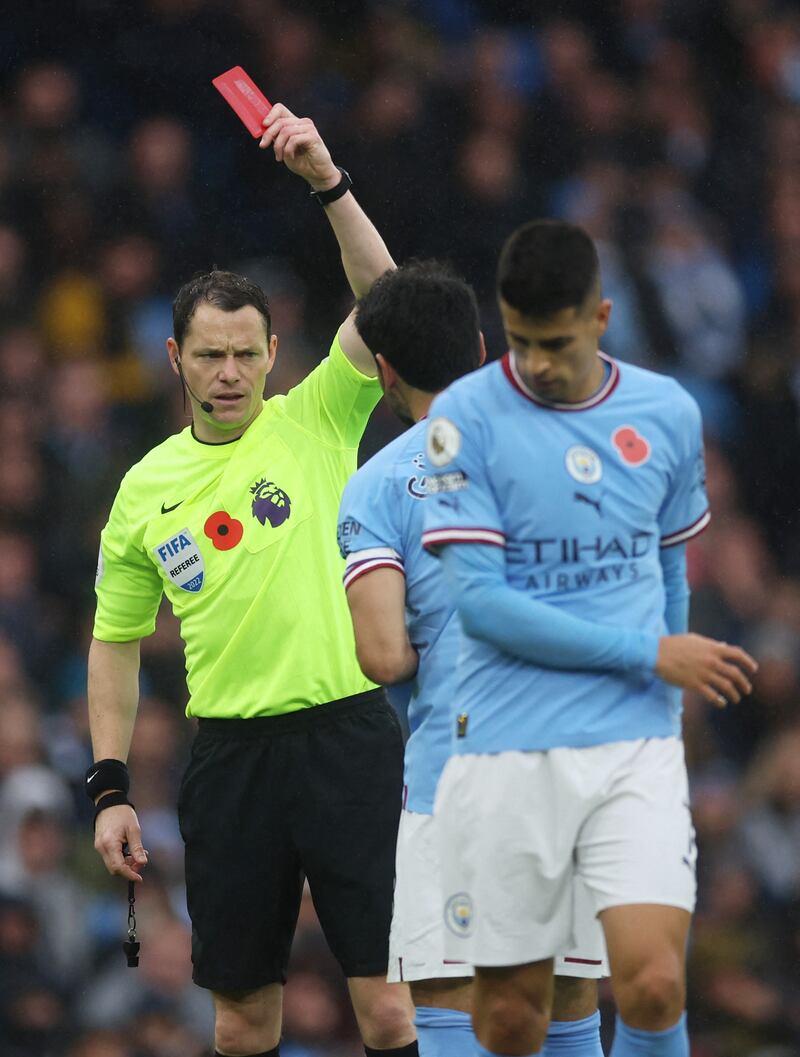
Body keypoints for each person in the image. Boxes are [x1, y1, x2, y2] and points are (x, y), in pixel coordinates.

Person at [87, 104, 416, 1057]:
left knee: (390, 1007)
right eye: (209, 355)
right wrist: (110, 787)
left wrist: (328, 180)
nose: (229, 373)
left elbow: (388, 298)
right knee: (240, 1019)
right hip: (228, 759)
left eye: (245, 354)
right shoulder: (143, 489)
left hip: (347, 739)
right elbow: (113, 644)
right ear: (175, 357)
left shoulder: (315, 418)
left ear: (275, 354)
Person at [421, 219, 759, 1057]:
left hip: (629, 742)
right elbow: (483, 605)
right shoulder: (463, 418)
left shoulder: (667, 414)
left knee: (650, 984)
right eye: (520, 339)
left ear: (602, 317)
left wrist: (671, 693)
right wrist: (649, 653)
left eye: (558, 341)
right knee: (510, 1018)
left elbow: (672, 568)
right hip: (508, 746)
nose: (536, 361)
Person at [338, 260, 612, 1057]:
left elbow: (384, 655)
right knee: (566, 1007)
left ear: (385, 371)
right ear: (482, 346)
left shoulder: (380, 485)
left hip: (456, 779)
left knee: (456, 1008)